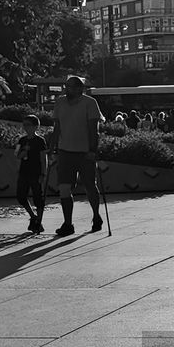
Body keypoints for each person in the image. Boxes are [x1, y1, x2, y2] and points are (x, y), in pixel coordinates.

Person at [48, 75, 104, 236]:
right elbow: (56, 127)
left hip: (85, 152)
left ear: (80, 88)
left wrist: (93, 150)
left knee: (89, 185)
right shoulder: (60, 102)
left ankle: (96, 215)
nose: (68, 89)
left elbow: (94, 129)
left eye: (72, 87)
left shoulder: (90, 103)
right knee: (64, 187)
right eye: (67, 86)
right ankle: (68, 223)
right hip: (65, 151)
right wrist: (52, 148)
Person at [15, 114, 48, 233]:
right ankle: (32, 216)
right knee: (21, 196)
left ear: (35, 127)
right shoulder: (22, 140)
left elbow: (43, 158)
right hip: (24, 171)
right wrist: (24, 151)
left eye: (28, 125)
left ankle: (38, 221)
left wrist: (43, 173)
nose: (25, 127)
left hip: (36, 172)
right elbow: (17, 155)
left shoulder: (40, 141)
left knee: (38, 197)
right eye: (24, 125)